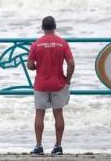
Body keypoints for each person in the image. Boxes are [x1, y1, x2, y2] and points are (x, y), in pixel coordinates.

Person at [27, 16, 75, 156]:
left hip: (41, 83)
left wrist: (35, 66)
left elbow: (30, 65)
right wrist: (68, 79)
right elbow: (71, 63)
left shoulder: (36, 44)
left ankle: (38, 146)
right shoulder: (62, 43)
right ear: (55, 27)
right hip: (58, 83)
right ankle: (58, 146)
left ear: (42, 28)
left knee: (39, 114)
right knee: (58, 114)